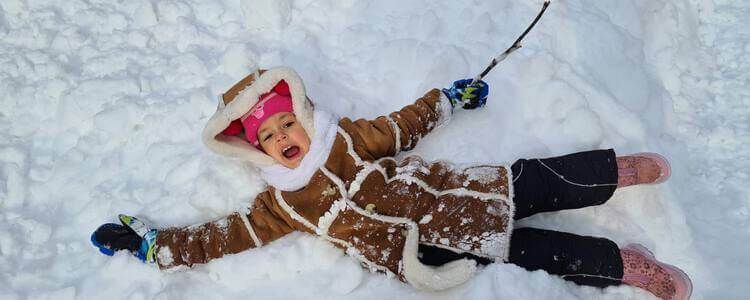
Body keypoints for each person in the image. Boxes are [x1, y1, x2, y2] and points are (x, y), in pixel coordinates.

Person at [91, 67, 692, 299]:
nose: (282, 137)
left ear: (302, 113)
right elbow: (225, 236)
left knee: (533, 182)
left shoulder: (346, 139)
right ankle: (623, 267)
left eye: (285, 122)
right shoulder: (281, 205)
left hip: (456, 195)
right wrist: (156, 245)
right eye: (268, 137)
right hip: (430, 250)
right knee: (540, 255)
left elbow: (402, 126)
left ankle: (610, 172)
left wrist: (447, 102)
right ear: (255, 151)